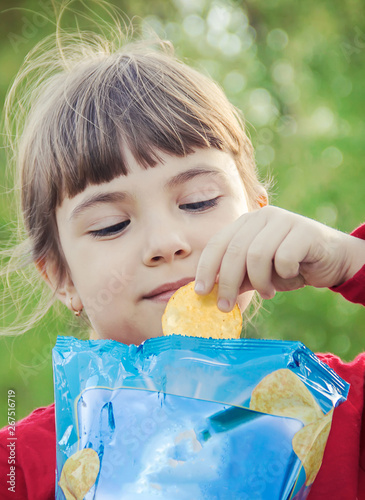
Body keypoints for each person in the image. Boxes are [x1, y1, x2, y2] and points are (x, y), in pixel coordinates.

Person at [0, 24, 364, 500]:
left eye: (198, 201)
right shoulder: (22, 469)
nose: (166, 242)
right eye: (111, 224)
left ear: (258, 214)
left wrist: (350, 261)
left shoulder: (340, 414)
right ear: (61, 277)